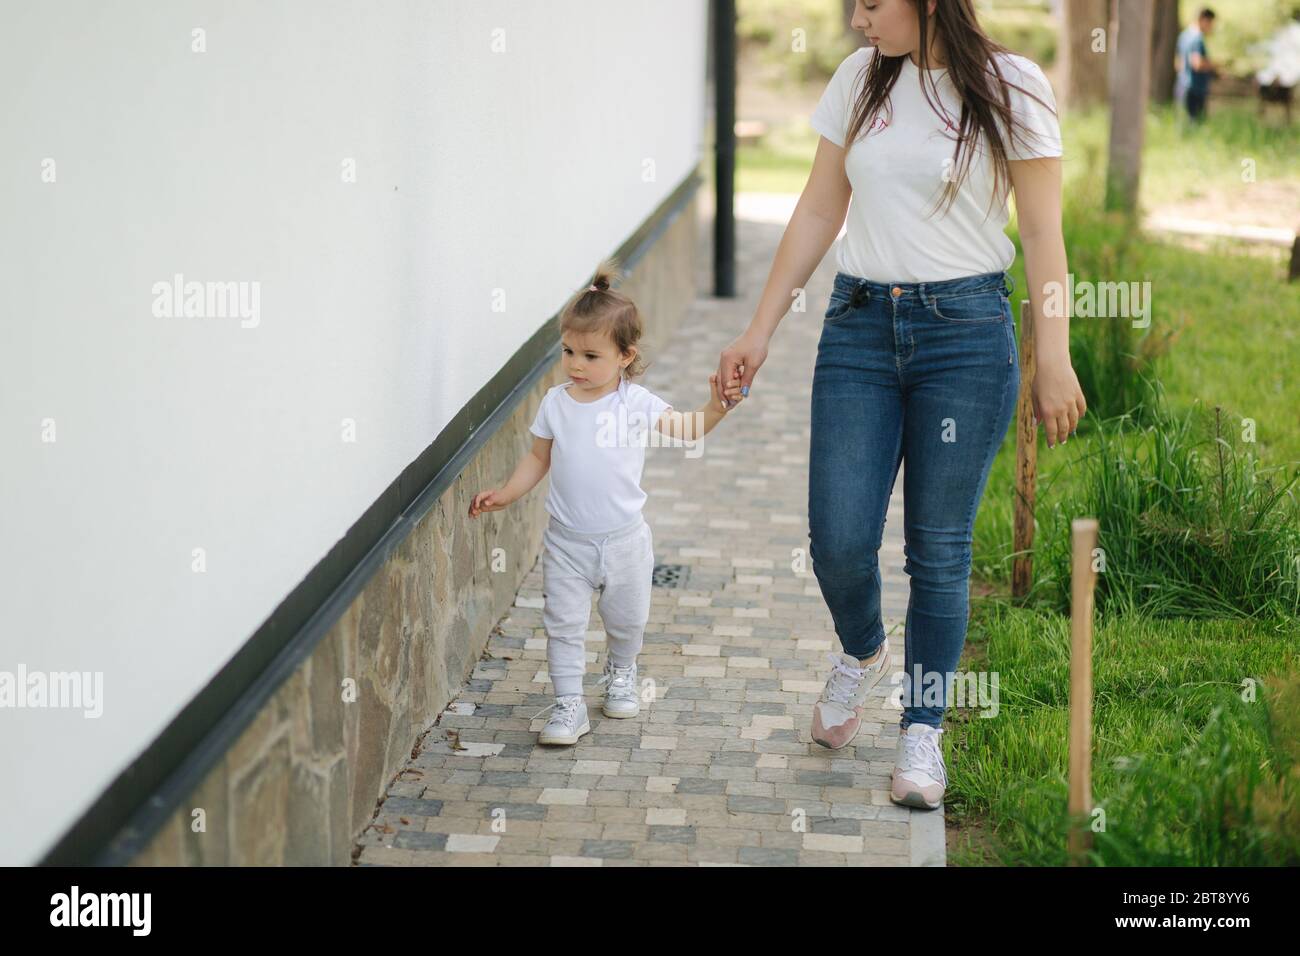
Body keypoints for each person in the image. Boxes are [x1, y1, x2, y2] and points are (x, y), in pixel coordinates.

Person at [715, 0, 1086, 810]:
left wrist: (1052, 358)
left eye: (872, 4)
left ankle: (923, 730)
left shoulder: (1013, 85)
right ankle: (862, 648)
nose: (855, 20)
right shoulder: (861, 80)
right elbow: (820, 206)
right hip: (857, 332)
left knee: (938, 549)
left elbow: (1046, 233)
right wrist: (760, 328)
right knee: (839, 539)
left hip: (966, 335)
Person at [469, 260, 746, 745]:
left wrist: (716, 408)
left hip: (624, 542)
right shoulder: (556, 402)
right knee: (563, 624)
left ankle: (622, 670)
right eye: (569, 351)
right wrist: (506, 493)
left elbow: (687, 429)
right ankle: (568, 705)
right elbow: (539, 459)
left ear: (624, 356)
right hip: (566, 542)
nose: (576, 364)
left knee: (627, 620)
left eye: (591, 355)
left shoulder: (632, 402)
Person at [1176, 8, 1218, 122]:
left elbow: (1178, 63)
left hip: (1182, 85)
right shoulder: (1197, 39)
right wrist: (1213, 65)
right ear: (1203, 20)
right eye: (1211, 23)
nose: (1211, 27)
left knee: (1183, 122)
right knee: (1196, 123)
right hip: (1195, 88)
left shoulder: (1184, 36)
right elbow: (1197, 63)